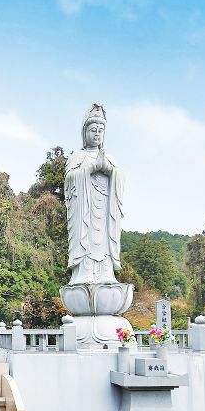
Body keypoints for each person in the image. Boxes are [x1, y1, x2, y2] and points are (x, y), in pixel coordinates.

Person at [64, 103, 124, 285]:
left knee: (105, 240)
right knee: (87, 239)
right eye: (93, 130)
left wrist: (109, 170)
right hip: (85, 212)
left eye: (100, 131)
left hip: (105, 211)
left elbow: (120, 178)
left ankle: (106, 272)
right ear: (85, 133)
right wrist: (90, 168)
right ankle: (85, 272)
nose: (97, 134)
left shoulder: (110, 159)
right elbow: (70, 179)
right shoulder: (77, 157)